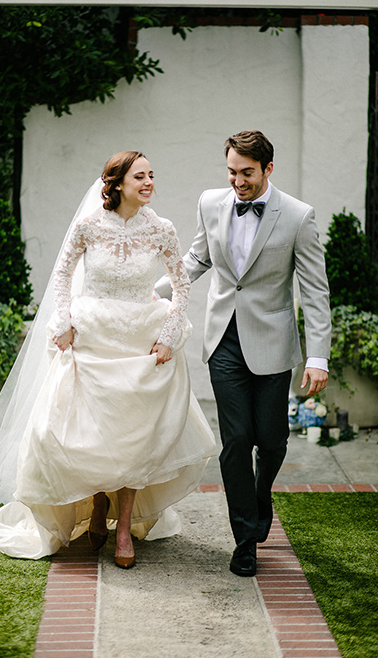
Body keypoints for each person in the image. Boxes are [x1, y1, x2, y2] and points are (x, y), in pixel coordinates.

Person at [0, 150, 216, 567]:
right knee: (85, 435)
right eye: (139, 176)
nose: (148, 183)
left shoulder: (162, 229)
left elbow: (182, 283)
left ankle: (123, 528)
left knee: (134, 439)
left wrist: (169, 337)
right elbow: (63, 276)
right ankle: (97, 507)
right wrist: (64, 322)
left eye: (151, 175)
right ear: (117, 183)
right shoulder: (89, 226)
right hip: (92, 340)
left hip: (143, 345)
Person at [155, 131, 331, 577]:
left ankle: (260, 493)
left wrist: (317, 357)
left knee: (270, 440)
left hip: (273, 342)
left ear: (268, 169)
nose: (237, 181)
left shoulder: (297, 216)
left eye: (247, 173)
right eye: (232, 171)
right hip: (223, 341)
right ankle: (245, 538)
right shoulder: (210, 203)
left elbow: (314, 289)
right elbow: (197, 259)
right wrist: (150, 293)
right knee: (235, 440)